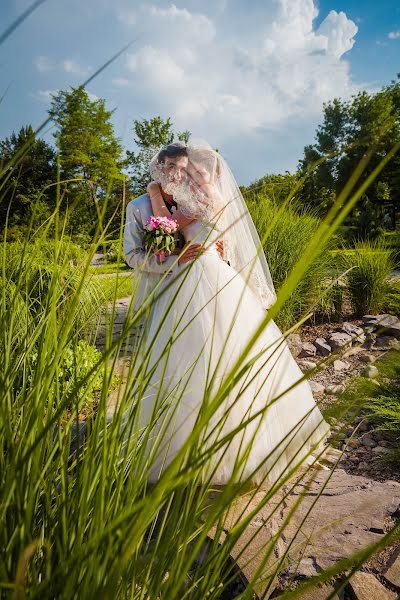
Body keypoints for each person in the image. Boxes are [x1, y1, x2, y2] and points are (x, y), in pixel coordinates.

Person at [136, 140, 330, 486]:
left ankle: (217, 449)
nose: (188, 176)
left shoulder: (204, 196)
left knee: (205, 355)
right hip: (208, 271)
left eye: (194, 170)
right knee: (203, 355)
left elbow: (165, 223)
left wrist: (153, 193)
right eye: (187, 171)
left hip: (200, 274)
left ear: (211, 172)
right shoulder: (207, 196)